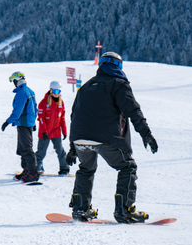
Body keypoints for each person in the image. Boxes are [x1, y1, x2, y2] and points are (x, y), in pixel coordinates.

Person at [66, 52, 158, 223]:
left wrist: (73, 147)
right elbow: (133, 110)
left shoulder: (86, 86)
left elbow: (75, 115)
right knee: (127, 167)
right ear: (119, 67)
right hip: (107, 137)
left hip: (80, 139)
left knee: (86, 169)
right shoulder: (119, 84)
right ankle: (124, 210)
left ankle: (80, 209)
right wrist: (146, 134)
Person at [1, 71, 39, 183]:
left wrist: (7, 122)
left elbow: (17, 111)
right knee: (23, 148)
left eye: (14, 81)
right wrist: (34, 122)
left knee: (26, 149)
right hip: (28, 123)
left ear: (17, 80)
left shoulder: (22, 93)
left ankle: (33, 173)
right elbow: (35, 109)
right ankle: (27, 170)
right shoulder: (29, 91)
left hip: (24, 123)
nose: (13, 83)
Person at [35, 81, 70, 175]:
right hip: (44, 132)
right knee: (41, 152)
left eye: (58, 92)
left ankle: (64, 168)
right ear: (50, 90)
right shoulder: (43, 103)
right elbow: (41, 119)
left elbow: (62, 118)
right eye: (54, 91)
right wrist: (44, 132)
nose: (55, 94)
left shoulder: (60, 103)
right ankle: (35, 168)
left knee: (60, 150)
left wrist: (64, 131)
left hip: (56, 131)